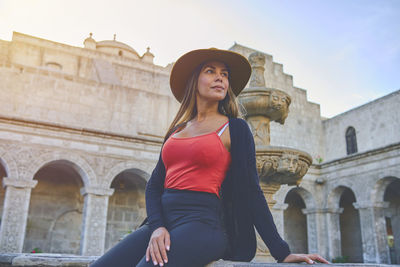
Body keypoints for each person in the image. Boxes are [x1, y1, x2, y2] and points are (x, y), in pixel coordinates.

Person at [91, 48, 329, 267]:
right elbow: (154, 186)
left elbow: (251, 190)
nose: (220, 78)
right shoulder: (176, 130)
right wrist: (157, 226)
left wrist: (281, 251)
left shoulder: (234, 128)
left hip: (203, 226)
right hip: (164, 222)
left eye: (224, 74)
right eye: (210, 71)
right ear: (194, 81)